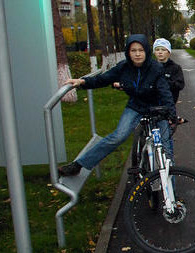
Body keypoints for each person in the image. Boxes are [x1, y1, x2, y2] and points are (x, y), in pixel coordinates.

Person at [58, 34, 176, 177]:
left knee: (166, 149)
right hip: (136, 106)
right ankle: (78, 165)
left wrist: (171, 116)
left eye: (141, 50)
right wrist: (82, 82)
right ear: (128, 52)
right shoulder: (123, 67)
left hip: (157, 108)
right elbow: (103, 79)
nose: (137, 54)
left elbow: (166, 93)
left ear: (146, 51)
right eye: (133, 51)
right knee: (118, 136)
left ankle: (171, 195)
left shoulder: (155, 68)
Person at [152, 38, 185, 104]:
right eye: (157, 50)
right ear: (154, 52)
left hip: (169, 102)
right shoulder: (151, 67)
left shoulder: (175, 68)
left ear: (168, 52)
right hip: (152, 103)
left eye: (163, 50)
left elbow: (180, 85)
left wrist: (164, 82)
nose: (160, 52)